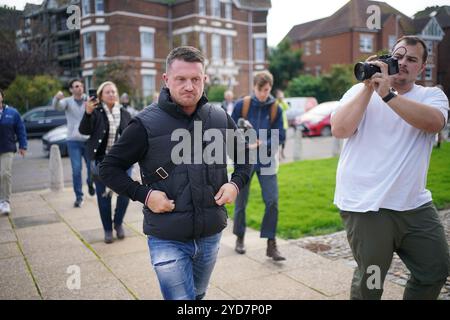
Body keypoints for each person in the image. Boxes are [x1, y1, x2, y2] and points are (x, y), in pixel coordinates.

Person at [99, 46, 251, 300]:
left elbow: (245, 159)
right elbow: (108, 168)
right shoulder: (144, 123)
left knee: (197, 296)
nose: (189, 86)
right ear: (166, 80)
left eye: (195, 79)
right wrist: (145, 195)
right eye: (181, 79)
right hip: (166, 237)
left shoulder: (219, 117)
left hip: (210, 234)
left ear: (205, 80)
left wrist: (235, 185)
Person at [331, 36, 449, 300]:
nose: (402, 62)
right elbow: (340, 129)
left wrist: (387, 95)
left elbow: (433, 123)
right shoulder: (357, 93)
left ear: (422, 66)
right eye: (397, 56)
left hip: (413, 204)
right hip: (367, 205)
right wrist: (368, 87)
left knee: (435, 269)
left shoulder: (432, 96)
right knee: (370, 283)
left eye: (411, 59)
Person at [231, 70, 287, 261]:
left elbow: (280, 135)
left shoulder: (275, 109)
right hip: (244, 160)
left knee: (272, 201)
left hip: (266, 160)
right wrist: (243, 143)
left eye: (267, 89)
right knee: (241, 202)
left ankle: (271, 244)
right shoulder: (242, 105)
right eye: (260, 89)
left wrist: (264, 143)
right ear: (254, 87)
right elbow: (229, 130)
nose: (264, 93)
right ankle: (239, 238)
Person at [79, 81, 132, 244]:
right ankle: (108, 230)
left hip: (122, 161)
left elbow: (131, 136)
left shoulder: (124, 113)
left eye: (114, 91)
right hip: (101, 161)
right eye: (107, 92)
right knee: (104, 198)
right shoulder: (95, 112)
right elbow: (84, 131)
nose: (111, 94)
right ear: (101, 95)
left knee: (125, 195)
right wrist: (87, 113)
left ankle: (118, 223)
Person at [53, 79, 94, 208]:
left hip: (88, 140)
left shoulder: (89, 100)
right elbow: (57, 106)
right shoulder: (67, 102)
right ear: (71, 89)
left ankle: (90, 182)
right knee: (76, 170)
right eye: (76, 86)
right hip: (73, 141)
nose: (80, 88)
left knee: (91, 168)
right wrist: (56, 98)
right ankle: (79, 197)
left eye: (81, 86)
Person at [0, 88, 27, 215]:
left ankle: (5, 201)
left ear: (2, 96)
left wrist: (23, 145)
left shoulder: (13, 112)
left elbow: (20, 130)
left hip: (7, 148)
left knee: (5, 174)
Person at [275, 89, 289, 158]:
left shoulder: (283, 103)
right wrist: (278, 101)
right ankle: (278, 154)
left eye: (282, 95)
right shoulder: (275, 103)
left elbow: (287, 108)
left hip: (284, 125)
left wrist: (282, 101)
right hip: (277, 125)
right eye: (279, 95)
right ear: (277, 96)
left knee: (284, 140)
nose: (281, 97)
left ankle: (282, 152)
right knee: (277, 140)